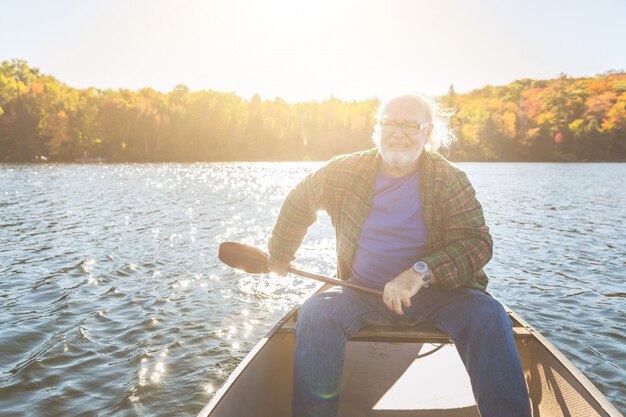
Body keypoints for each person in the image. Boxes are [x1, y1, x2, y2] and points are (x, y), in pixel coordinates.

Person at [267, 94, 531, 417]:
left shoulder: (449, 179)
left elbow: (477, 243)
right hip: (361, 292)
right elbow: (300, 200)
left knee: (489, 314)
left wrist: (418, 273)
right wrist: (280, 253)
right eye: (390, 123)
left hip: (438, 295)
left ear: (427, 132)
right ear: (378, 128)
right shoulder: (346, 171)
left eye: (410, 125)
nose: (398, 133)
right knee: (316, 313)